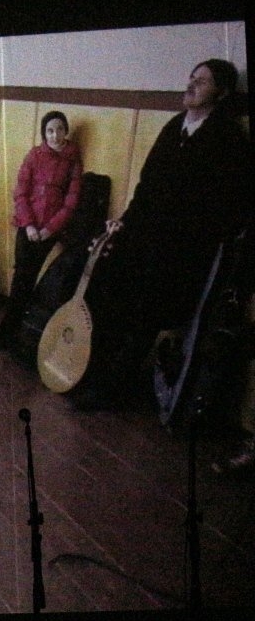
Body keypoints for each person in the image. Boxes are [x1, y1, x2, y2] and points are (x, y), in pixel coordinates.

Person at [75, 59, 250, 410]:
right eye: (191, 77)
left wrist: (185, 234)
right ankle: (90, 372)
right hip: (143, 235)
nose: (191, 84)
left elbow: (227, 207)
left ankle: (112, 390)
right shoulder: (174, 127)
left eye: (202, 81)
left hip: (182, 250)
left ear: (222, 92)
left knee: (147, 317)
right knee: (110, 295)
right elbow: (147, 186)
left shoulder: (229, 138)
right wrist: (124, 222)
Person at [0, 111, 82, 348]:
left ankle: (13, 330)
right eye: (50, 130)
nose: (55, 135)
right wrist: (29, 225)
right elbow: (21, 192)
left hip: (50, 230)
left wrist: (50, 229)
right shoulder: (34, 155)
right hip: (27, 225)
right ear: (44, 133)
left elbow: (71, 202)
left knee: (31, 277)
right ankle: (8, 329)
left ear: (66, 131)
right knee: (22, 276)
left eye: (60, 129)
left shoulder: (73, 160)